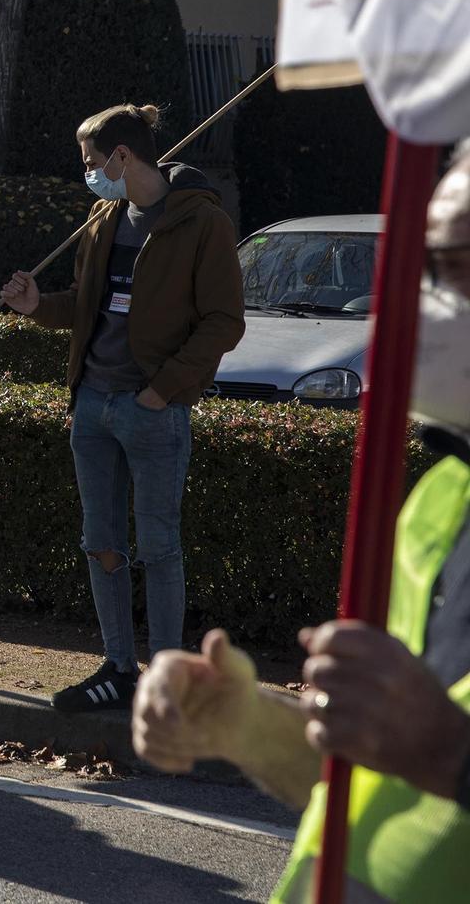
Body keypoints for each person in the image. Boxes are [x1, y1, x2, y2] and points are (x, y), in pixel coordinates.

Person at [132, 148, 470, 902]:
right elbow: (381, 773)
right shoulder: (442, 501)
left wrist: (451, 752)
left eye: (462, 265)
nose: (430, 299)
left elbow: (433, 752)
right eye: (429, 266)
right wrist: (242, 723)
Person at [0, 103, 244, 714]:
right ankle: (117, 667)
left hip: (153, 410)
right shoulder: (103, 216)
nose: (87, 173)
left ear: (123, 157)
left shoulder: (202, 222)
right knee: (100, 541)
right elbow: (87, 306)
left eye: (91, 161)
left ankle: (164, 681)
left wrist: (163, 391)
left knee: (158, 547)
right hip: (92, 404)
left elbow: (223, 322)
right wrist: (37, 307)